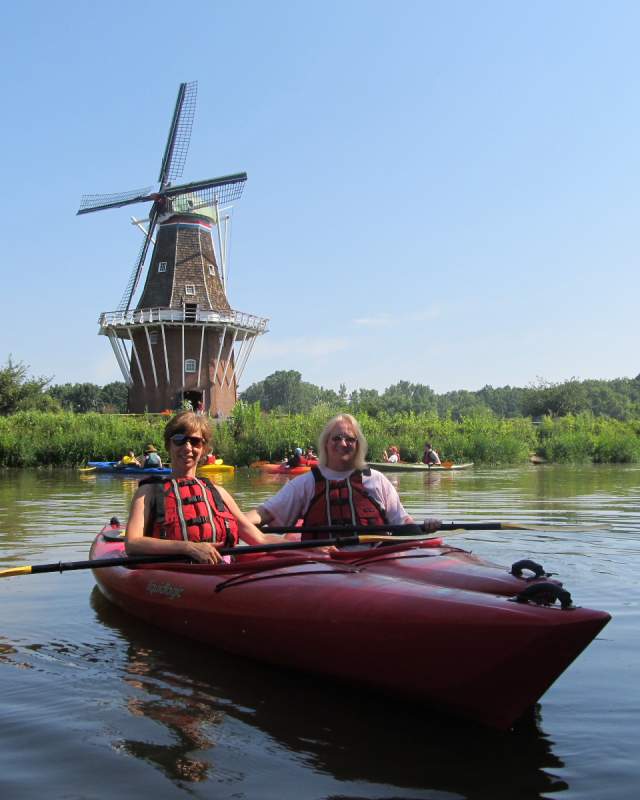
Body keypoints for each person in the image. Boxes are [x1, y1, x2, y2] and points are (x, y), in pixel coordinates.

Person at [125, 411, 282, 564]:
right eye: (179, 440)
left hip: (221, 573)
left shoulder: (218, 492)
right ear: (168, 445)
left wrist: (302, 549)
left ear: (203, 448)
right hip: (172, 576)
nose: (187, 448)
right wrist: (188, 547)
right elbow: (132, 543)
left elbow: (259, 539)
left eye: (195, 442)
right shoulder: (148, 492)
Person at [246, 414, 440, 535]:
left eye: (350, 439)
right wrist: (232, 524)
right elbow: (265, 513)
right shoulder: (307, 483)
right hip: (323, 566)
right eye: (336, 438)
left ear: (358, 445)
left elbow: (402, 520)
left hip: (375, 563)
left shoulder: (376, 479)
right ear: (325, 443)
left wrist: (425, 527)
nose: (343, 443)